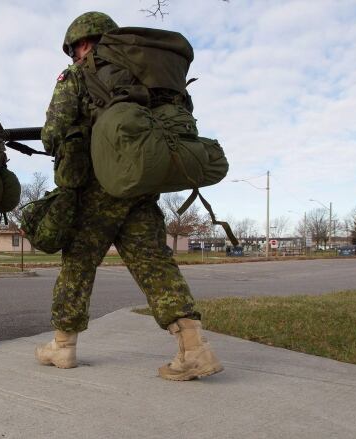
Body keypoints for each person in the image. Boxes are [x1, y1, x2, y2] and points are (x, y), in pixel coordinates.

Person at [34, 12, 223, 380]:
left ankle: (62, 346)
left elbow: (52, 132)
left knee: (78, 263)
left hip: (97, 188)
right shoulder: (151, 77)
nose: (74, 56)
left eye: (75, 49)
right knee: (154, 262)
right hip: (139, 186)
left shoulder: (78, 75)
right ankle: (194, 348)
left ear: (83, 43)